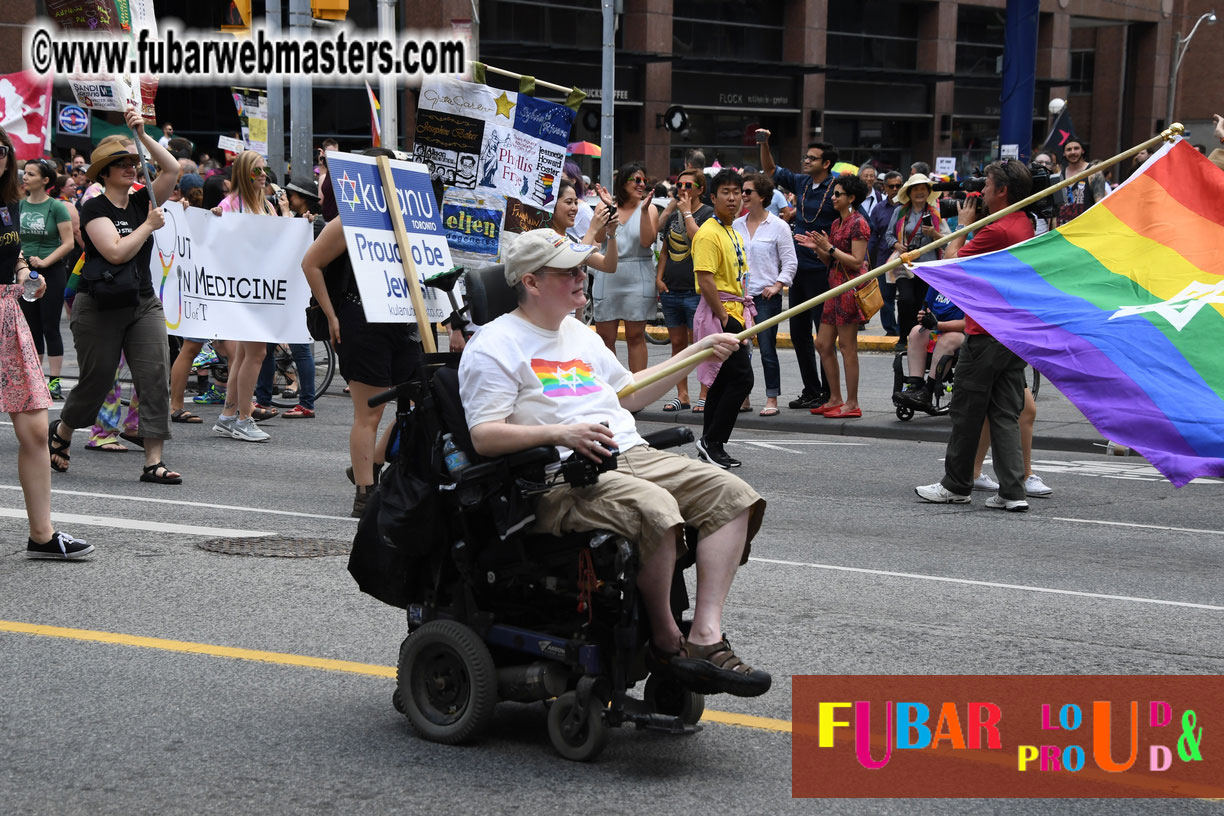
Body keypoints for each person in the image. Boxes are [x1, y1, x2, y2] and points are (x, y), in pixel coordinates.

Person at [458, 228, 771, 697]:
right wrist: (560, 433)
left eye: (581, 269)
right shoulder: (493, 345)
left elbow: (630, 394)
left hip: (630, 453)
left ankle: (705, 635)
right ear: (531, 282)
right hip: (560, 478)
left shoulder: (579, 333)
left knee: (732, 495)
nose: (582, 277)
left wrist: (696, 352)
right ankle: (666, 641)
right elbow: (484, 436)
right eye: (568, 272)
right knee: (656, 509)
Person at [50, 107, 182, 486]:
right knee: (98, 380)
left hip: (142, 302)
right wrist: (148, 226)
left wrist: (141, 136)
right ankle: (63, 430)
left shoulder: (142, 200)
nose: (130, 167)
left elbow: (172, 169)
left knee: (154, 375)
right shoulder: (93, 207)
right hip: (100, 305)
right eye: (121, 163)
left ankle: (153, 461)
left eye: (132, 162)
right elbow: (116, 252)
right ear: (104, 173)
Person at [301, 148, 423, 517]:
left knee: (421, 399)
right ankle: (365, 495)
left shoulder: (410, 217)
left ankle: (370, 463)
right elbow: (311, 263)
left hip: (403, 322)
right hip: (362, 321)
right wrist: (331, 314)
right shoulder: (350, 220)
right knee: (369, 412)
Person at [915, 160, 1035, 511]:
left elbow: (952, 265)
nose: (980, 192)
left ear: (1002, 191)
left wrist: (963, 226)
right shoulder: (1022, 222)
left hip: (985, 334)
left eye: (987, 186)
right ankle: (1012, 491)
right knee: (1004, 414)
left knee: (967, 412)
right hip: (1011, 333)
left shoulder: (997, 230)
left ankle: (956, 485)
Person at [0, 126, 91, 558]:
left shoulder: (8, 205)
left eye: (2, 149)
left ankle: (42, 534)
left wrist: (23, 274)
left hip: (7, 314)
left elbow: (12, 252)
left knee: (37, 429)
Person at [208, 150, 294, 442]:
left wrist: (293, 220)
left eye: (264, 169)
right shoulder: (230, 204)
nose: (263, 175)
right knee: (255, 353)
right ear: (244, 173)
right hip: (244, 290)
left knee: (246, 354)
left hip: (260, 287)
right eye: (256, 170)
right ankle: (244, 418)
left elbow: (278, 238)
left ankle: (228, 416)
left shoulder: (266, 205)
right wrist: (215, 220)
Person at [758, 132, 838, 410]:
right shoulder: (802, 182)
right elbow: (770, 169)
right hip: (797, 269)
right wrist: (764, 143)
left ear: (825, 163)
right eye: (806, 157)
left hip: (823, 270)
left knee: (824, 337)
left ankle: (830, 393)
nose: (805, 161)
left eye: (812, 158)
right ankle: (811, 390)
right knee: (798, 333)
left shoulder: (836, 188)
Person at [691, 169, 755, 468]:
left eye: (737, 192)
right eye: (725, 192)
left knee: (722, 380)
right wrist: (725, 318)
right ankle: (712, 441)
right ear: (712, 197)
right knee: (742, 378)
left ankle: (710, 442)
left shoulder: (732, 230)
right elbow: (705, 279)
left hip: (735, 312)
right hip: (721, 315)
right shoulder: (708, 233)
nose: (732, 198)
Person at [797, 173, 870, 419]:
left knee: (848, 347)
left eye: (838, 194)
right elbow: (831, 261)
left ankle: (852, 402)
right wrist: (819, 248)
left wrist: (829, 247)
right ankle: (835, 398)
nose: (833, 198)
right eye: (833, 194)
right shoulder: (837, 223)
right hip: (834, 288)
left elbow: (857, 262)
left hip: (849, 290)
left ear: (852, 198)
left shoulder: (858, 223)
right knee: (822, 343)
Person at [734, 173, 795, 418]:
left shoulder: (779, 226)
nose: (743, 195)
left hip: (766, 297)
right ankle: (743, 396)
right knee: (740, 349)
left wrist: (778, 285)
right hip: (739, 296)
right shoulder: (736, 225)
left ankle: (772, 398)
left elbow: (790, 262)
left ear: (762, 196)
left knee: (767, 349)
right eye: (742, 191)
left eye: (748, 191)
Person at [655, 169, 713, 412]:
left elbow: (699, 240)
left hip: (695, 291)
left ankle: (704, 394)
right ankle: (682, 395)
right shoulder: (673, 214)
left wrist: (687, 212)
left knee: (699, 345)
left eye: (689, 185)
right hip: (671, 290)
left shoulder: (708, 215)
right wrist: (659, 278)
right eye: (679, 185)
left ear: (701, 189)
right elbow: (664, 249)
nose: (683, 189)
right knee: (677, 345)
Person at [592, 163, 657, 373]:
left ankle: (638, 386)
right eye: (636, 180)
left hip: (638, 274)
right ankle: (610, 385)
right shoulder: (605, 206)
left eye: (644, 181)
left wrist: (644, 211)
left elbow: (647, 241)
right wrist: (609, 208)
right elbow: (599, 237)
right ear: (623, 181)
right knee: (605, 337)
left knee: (635, 336)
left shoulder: (649, 208)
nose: (641, 185)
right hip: (608, 273)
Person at [19, 158, 74, 399]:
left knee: (50, 327)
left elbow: (68, 243)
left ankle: (55, 381)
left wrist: (45, 261)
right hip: (24, 274)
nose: (25, 177)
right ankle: (35, 379)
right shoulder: (19, 206)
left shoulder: (57, 207)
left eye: (31, 174)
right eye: (25, 173)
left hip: (51, 272)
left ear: (45, 180)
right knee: (31, 328)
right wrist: (21, 261)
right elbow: (13, 239)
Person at [886, 173, 949, 341]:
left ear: (928, 192)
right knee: (905, 300)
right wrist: (897, 245)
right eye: (915, 189)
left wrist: (934, 233)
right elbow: (889, 235)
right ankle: (903, 338)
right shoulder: (900, 211)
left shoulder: (936, 213)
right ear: (909, 192)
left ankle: (920, 340)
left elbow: (948, 242)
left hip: (928, 267)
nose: (919, 192)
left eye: (923, 189)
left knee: (923, 304)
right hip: (905, 265)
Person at [893, 287, 965, 409]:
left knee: (946, 341)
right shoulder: (937, 283)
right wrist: (923, 317)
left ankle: (927, 391)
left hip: (962, 333)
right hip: (938, 329)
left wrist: (937, 325)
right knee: (916, 332)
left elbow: (967, 324)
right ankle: (915, 386)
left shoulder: (970, 285)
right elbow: (925, 311)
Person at [868, 171, 903, 336]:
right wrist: (866, 258)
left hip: (905, 259)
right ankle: (891, 330)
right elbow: (872, 236)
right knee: (886, 298)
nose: (895, 189)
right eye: (891, 186)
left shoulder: (909, 207)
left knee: (905, 298)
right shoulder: (878, 209)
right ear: (885, 188)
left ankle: (904, 330)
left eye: (898, 186)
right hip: (884, 259)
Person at [1058, 140, 1107, 223]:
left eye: (1076, 148)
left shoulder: (1094, 172)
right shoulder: (1059, 175)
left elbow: (1100, 204)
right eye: (1069, 150)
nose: (1073, 152)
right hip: (1063, 227)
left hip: (1086, 226)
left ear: (1082, 151)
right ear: (1064, 153)